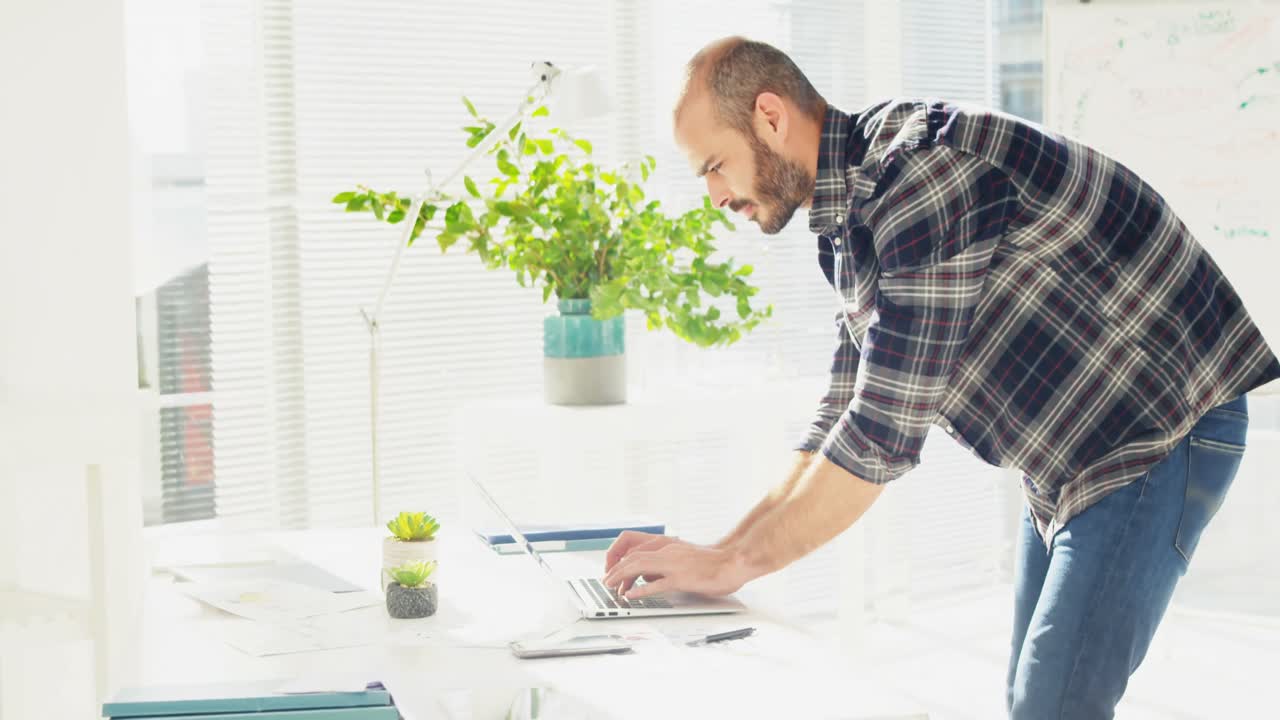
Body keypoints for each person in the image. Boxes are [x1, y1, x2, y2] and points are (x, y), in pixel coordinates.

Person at [601, 36, 1280, 718]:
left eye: (715, 166)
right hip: (1073, 451)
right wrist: (718, 549)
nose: (716, 195)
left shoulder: (921, 176)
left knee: (1055, 703)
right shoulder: (847, 227)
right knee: (1035, 699)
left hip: (1160, 431)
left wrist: (729, 567)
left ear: (770, 117)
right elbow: (841, 416)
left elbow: (882, 435)